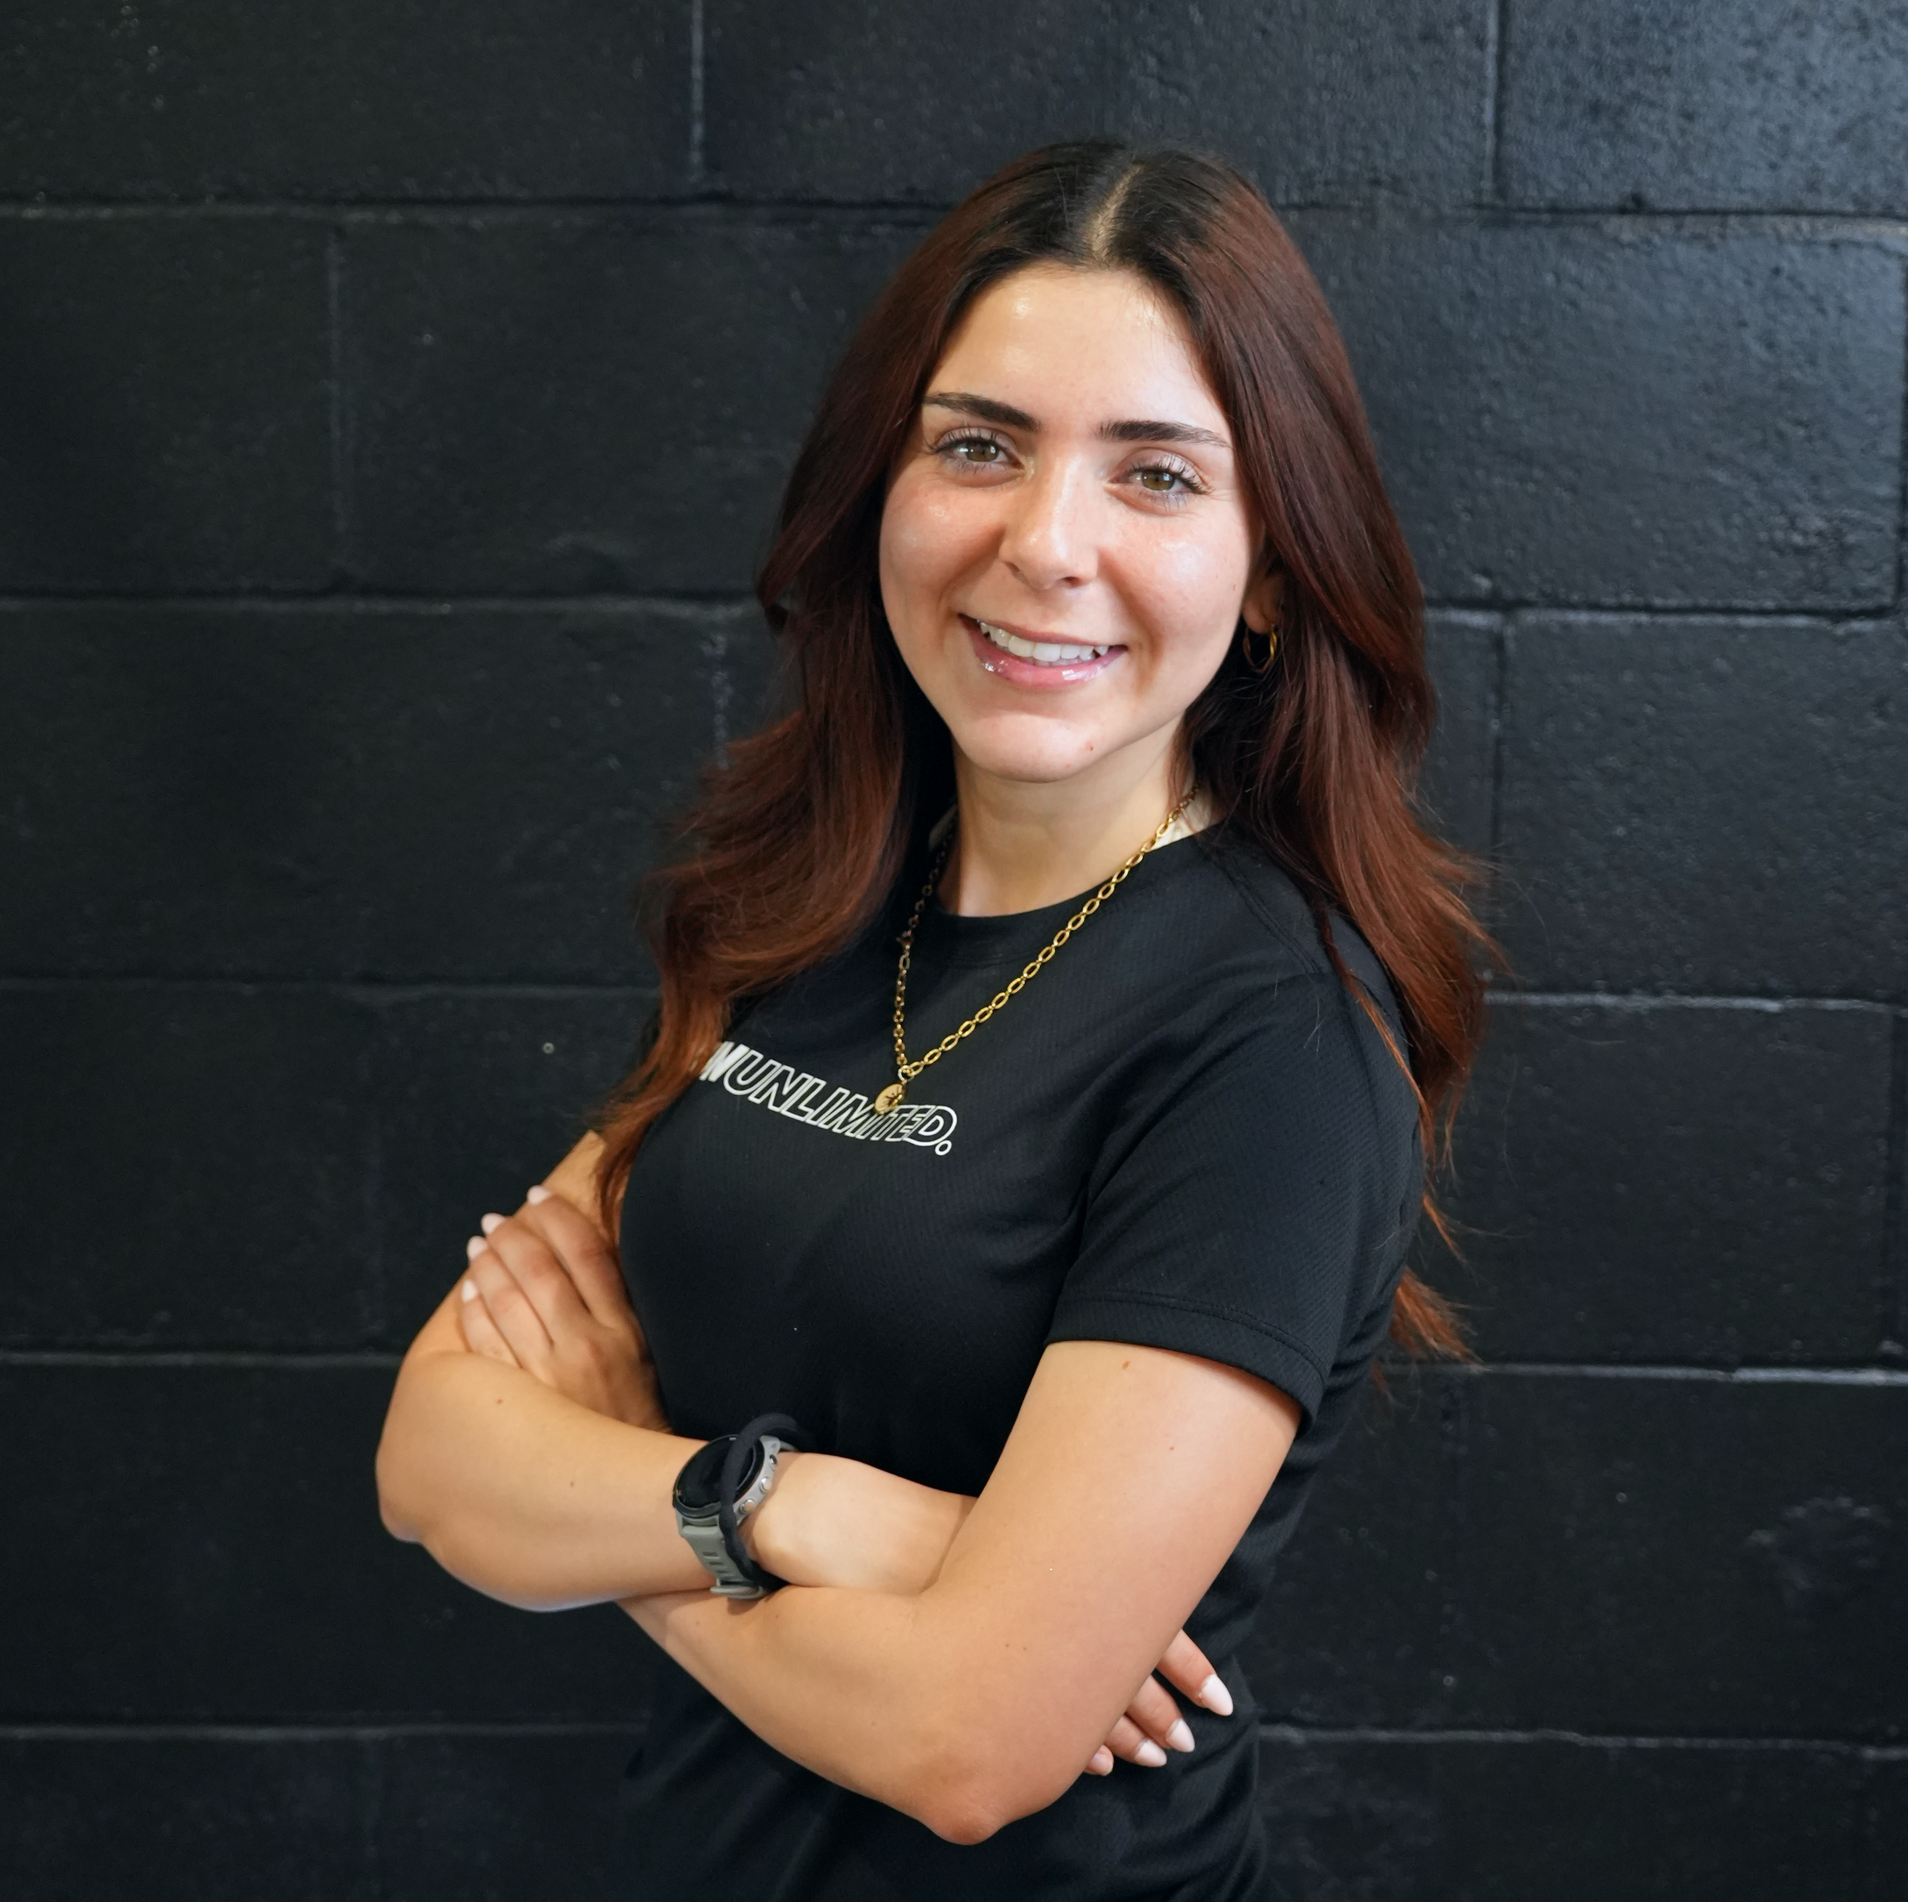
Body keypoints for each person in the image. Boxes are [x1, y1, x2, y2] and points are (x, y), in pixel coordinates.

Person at [375, 140, 1490, 1901]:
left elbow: (971, 1743)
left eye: (1156, 475)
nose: (1044, 544)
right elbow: (433, 1450)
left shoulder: (1274, 1041)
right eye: (978, 445)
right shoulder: (815, 903)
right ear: (879, 487)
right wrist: (797, 1508)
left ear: (1274, 570)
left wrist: (638, 1504)